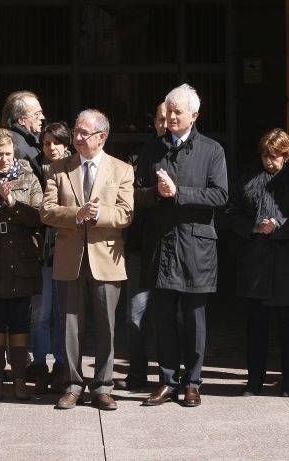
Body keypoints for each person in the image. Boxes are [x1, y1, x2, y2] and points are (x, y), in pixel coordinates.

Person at [136, 84, 228, 408]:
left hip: (195, 246)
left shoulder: (212, 150)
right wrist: (154, 194)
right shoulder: (153, 148)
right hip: (162, 244)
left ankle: (192, 382)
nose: (172, 116)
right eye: (169, 111)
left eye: (178, 111)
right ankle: (166, 380)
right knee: (163, 317)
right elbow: (136, 193)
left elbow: (220, 195)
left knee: (194, 318)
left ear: (194, 115)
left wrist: (179, 192)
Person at [41, 109, 134, 411]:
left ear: (101, 137)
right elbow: (46, 210)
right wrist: (74, 215)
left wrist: (99, 215)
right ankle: (72, 384)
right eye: (76, 131)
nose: (77, 137)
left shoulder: (121, 169)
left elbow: (126, 213)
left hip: (106, 257)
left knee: (106, 325)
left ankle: (104, 386)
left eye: (84, 133)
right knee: (70, 324)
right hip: (70, 258)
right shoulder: (58, 168)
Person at [228, 128, 289, 397]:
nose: (269, 161)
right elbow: (232, 214)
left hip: (287, 263)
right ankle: (254, 380)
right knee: (256, 328)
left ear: (287, 156)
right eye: (266, 156)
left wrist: (279, 226)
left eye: (275, 157)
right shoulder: (248, 179)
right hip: (255, 263)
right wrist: (252, 227)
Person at [0, 129, 43, 402]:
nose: (3, 158)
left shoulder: (29, 178)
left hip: (22, 258)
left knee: (19, 323)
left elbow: (39, 215)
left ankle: (18, 378)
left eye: (7, 153)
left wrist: (13, 203)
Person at [119, 101, 168, 392]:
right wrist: (156, 194)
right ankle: (137, 374)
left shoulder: (185, 153)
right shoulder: (139, 154)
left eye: (170, 117)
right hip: (140, 245)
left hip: (171, 247)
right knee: (135, 315)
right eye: (161, 118)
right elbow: (131, 195)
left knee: (168, 316)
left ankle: (169, 376)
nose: (166, 123)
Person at [31, 121, 71, 394]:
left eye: (57, 143)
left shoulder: (76, 169)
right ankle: (40, 363)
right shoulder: (35, 168)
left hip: (67, 247)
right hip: (42, 250)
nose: (51, 148)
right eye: (46, 143)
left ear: (66, 145)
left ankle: (62, 364)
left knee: (63, 312)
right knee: (41, 312)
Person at [3, 91, 46, 182]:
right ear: (22, 120)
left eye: (41, 113)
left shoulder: (31, 140)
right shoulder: (14, 145)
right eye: (37, 114)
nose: (42, 117)